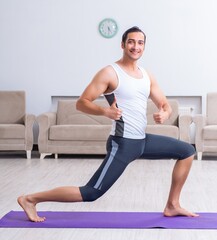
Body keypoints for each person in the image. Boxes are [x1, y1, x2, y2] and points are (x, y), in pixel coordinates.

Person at [18, 26, 198, 222]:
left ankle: (172, 205)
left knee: (187, 151)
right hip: (122, 143)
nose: (135, 46)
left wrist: (164, 112)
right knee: (91, 192)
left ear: (144, 47)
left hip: (142, 141)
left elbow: (164, 104)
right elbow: (82, 103)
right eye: (131, 42)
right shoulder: (110, 73)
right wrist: (105, 111)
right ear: (122, 44)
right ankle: (30, 199)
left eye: (140, 43)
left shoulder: (146, 75)